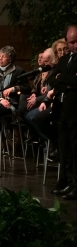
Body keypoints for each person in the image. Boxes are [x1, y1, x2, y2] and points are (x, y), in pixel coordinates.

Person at [48, 25, 77, 200]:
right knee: (65, 147)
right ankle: (66, 180)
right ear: (67, 41)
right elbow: (52, 77)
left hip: (75, 111)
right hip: (63, 110)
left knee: (75, 148)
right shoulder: (65, 59)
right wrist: (67, 82)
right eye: (72, 42)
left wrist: (63, 80)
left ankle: (75, 184)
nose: (76, 45)